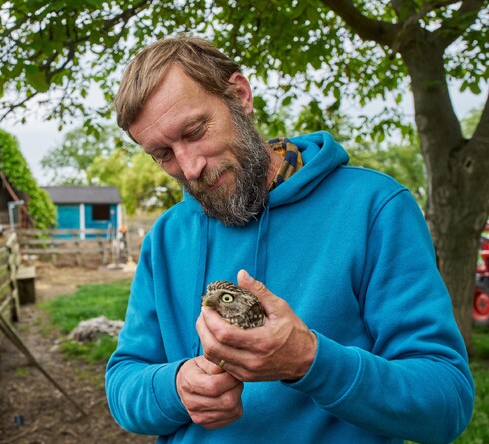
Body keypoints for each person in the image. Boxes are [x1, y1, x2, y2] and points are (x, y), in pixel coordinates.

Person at [105, 34, 474, 443]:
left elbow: (447, 402)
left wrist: (310, 360)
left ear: (239, 95)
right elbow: (124, 381)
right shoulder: (166, 237)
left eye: (194, 131)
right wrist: (174, 387)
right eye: (163, 154)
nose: (189, 168)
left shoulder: (373, 208)